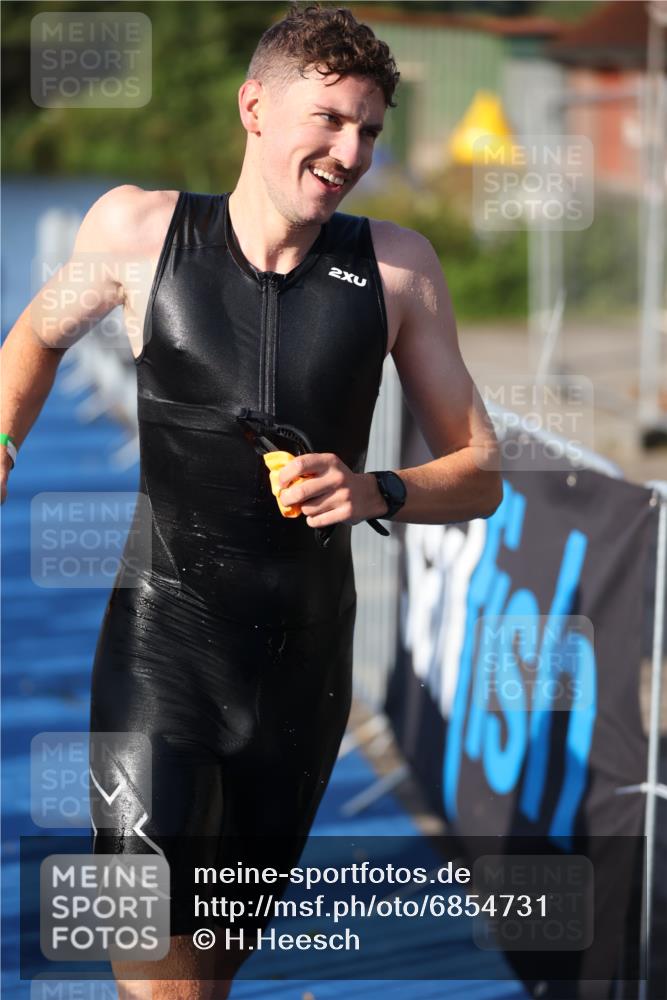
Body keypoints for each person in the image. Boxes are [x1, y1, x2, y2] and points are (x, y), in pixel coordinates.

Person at [1, 4, 502, 997]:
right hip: (161, 646)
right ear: (254, 108)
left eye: (368, 129)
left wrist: (375, 489)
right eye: (328, 119)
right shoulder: (138, 232)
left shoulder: (397, 269)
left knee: (215, 967)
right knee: (157, 960)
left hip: (299, 677)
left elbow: (479, 469)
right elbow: (36, 336)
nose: (349, 149)